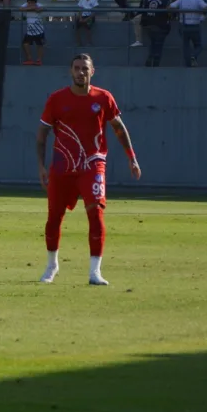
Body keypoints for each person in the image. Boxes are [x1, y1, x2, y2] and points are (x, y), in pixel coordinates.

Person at [36, 53, 141, 286]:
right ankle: (52, 264)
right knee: (54, 218)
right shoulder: (56, 99)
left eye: (85, 68)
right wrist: (42, 166)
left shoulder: (103, 98)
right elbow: (42, 135)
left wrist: (131, 158)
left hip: (93, 164)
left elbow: (119, 129)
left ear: (92, 71)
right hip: (62, 166)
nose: (80, 72)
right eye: (76, 68)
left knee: (96, 213)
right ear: (70, 71)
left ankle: (95, 271)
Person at [168, 0, 207, 67]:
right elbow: (206, 7)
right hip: (195, 25)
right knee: (199, 45)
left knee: (185, 45)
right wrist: (202, 15)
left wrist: (178, 13)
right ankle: (193, 56)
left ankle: (188, 65)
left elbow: (170, 7)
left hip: (183, 25)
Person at [138, 0, 171, 66]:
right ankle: (155, 61)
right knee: (159, 44)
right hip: (160, 25)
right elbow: (168, 12)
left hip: (148, 23)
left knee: (152, 42)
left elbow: (144, 8)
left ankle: (150, 57)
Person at [21, 0, 45, 65]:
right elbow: (20, 8)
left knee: (40, 45)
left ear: (35, 2)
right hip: (29, 31)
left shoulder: (39, 5)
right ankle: (29, 59)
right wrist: (31, 8)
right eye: (29, 2)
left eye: (32, 3)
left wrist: (30, 8)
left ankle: (39, 60)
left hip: (39, 30)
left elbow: (40, 9)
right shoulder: (26, 4)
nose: (30, 4)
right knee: (25, 44)